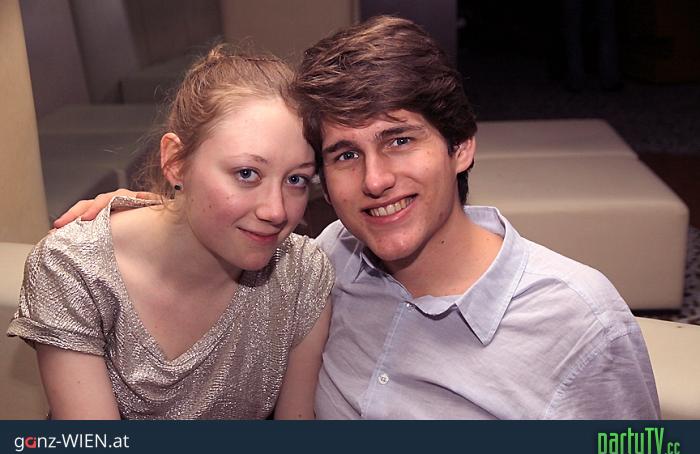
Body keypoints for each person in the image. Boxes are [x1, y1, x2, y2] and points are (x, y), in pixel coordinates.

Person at [52, 16, 659, 419]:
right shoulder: (328, 260)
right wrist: (164, 206)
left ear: (460, 146)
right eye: (345, 154)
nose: (374, 181)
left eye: (399, 140)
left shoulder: (578, 324)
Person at [7, 45, 334, 420]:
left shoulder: (302, 275)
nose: (276, 211)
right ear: (176, 161)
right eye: (247, 174)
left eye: (296, 180)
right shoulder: (75, 268)